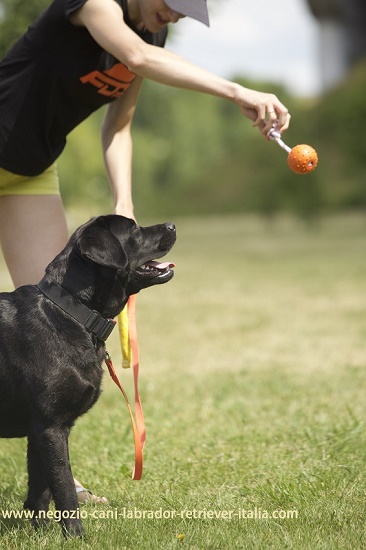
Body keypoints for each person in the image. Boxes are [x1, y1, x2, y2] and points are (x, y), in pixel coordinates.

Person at [0, 0, 291, 503]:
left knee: (55, 325)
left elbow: (117, 128)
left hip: (29, 171)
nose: (175, 16)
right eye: (171, 4)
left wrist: (125, 199)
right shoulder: (94, 5)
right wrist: (237, 91)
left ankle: (53, 484)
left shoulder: (152, 35)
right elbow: (134, 56)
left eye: (186, 11)